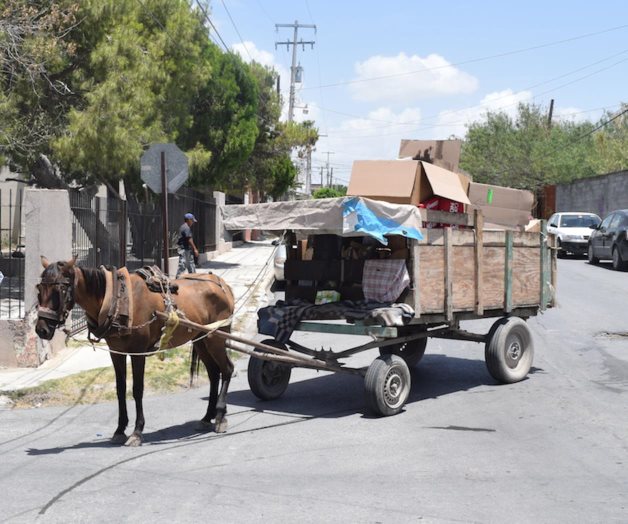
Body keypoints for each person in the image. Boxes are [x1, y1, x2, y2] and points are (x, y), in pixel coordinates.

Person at [176, 212, 199, 278]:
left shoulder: (184, 227)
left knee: (190, 265)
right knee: (183, 265)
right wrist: (195, 249)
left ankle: (194, 278)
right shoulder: (186, 228)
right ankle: (177, 280)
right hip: (184, 249)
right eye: (192, 221)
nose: (192, 223)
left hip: (186, 249)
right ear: (189, 220)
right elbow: (189, 239)